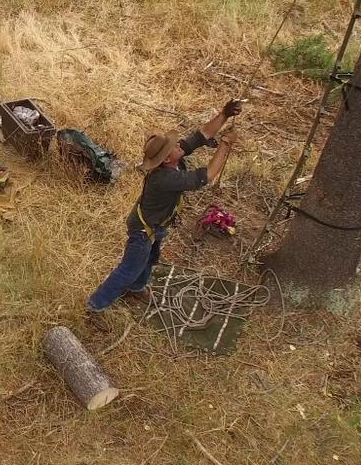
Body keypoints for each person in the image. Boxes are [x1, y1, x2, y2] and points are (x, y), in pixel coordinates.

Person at [86, 100, 243, 318]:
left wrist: (224, 114)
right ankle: (95, 305)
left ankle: (136, 288)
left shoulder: (171, 161)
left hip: (155, 225)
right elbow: (207, 175)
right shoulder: (166, 178)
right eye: (176, 146)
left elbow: (201, 135)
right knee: (128, 270)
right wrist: (225, 144)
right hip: (144, 231)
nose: (180, 144)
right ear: (168, 158)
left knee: (150, 259)